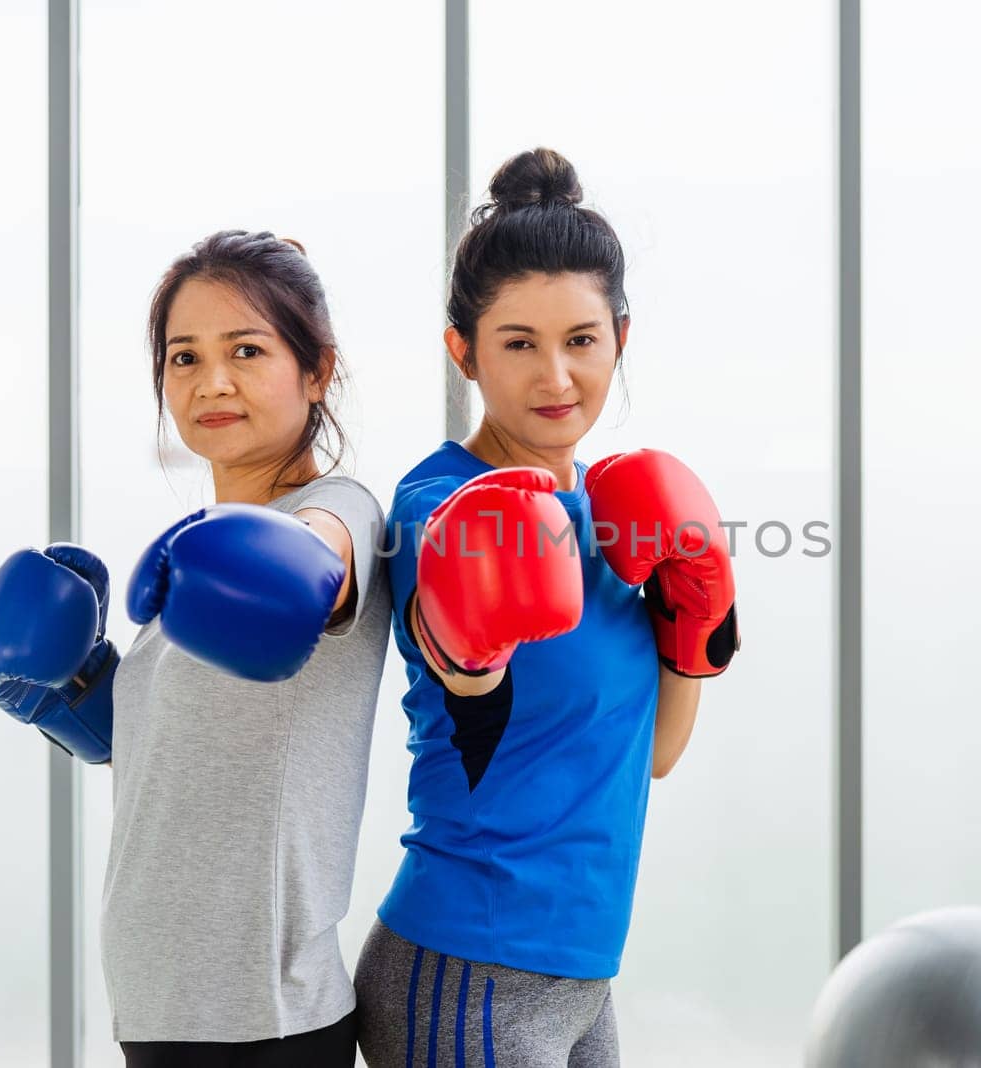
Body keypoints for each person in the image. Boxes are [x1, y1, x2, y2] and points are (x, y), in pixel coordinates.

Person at [354, 148, 740, 1068]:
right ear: (465, 352)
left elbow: (651, 755)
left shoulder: (626, 519)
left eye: (581, 339)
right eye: (519, 343)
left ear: (620, 338)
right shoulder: (438, 505)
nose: (556, 376)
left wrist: (692, 626)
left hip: (578, 977)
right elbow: (453, 654)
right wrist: (466, 641)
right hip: (465, 966)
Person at [0, 230, 387, 1067]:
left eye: (246, 350)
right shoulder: (190, 565)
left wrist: (264, 557)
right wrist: (74, 690)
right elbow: (173, 760)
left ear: (318, 370)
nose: (212, 382)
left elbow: (310, 574)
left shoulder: (336, 512)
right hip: (162, 998)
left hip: (263, 1015)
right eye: (183, 357)